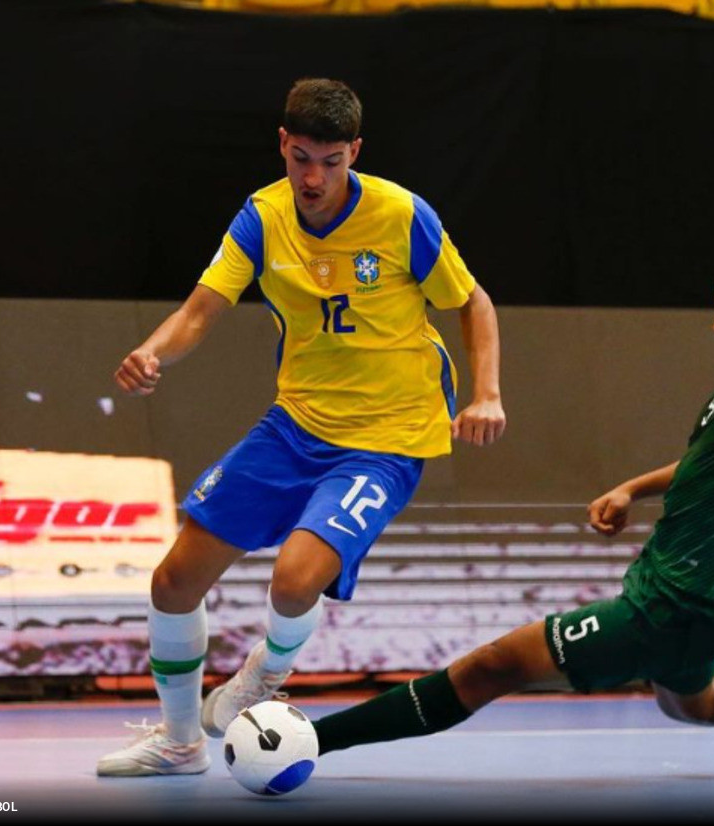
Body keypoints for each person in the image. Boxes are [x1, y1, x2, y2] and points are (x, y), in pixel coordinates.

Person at [306, 85, 714, 783]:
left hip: (672, 604)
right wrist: (635, 486)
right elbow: (705, 465)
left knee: (492, 667)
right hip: (708, 604)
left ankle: (310, 744)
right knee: (697, 702)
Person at [97, 78, 506, 776]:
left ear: (355, 152)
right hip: (295, 425)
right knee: (172, 582)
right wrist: (151, 351)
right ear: (283, 145)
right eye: (302, 158)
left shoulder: (400, 214)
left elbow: (472, 303)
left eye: (332, 160)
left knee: (293, 582)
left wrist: (486, 394)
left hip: (388, 436)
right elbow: (200, 310)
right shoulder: (263, 217)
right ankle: (180, 743)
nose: (314, 177)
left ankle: (265, 671)